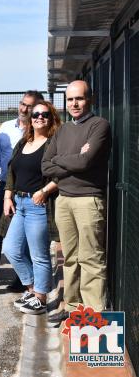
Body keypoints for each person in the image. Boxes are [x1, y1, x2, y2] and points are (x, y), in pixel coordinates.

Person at [42, 80, 112, 326]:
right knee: (69, 258)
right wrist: (73, 158)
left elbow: (86, 162)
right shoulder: (62, 130)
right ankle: (72, 307)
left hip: (88, 200)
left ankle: (94, 317)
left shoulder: (99, 125)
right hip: (64, 200)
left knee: (91, 259)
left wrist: (62, 160)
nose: (74, 104)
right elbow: (45, 165)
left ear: (89, 99)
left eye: (79, 98)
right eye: (70, 99)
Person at [2, 101, 62, 315]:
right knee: (10, 249)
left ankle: (41, 298)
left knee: (39, 255)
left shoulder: (54, 143)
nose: (39, 117)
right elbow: (11, 170)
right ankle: (31, 289)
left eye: (45, 114)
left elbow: (62, 173)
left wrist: (45, 191)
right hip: (19, 204)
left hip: (39, 206)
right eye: (35, 114)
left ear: (51, 118)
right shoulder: (23, 142)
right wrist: (7, 196)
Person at [0, 91, 44, 290]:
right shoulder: (6, 127)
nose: (24, 109)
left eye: (29, 106)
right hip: (5, 186)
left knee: (27, 234)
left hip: (29, 188)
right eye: (22, 104)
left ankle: (22, 278)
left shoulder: (42, 131)